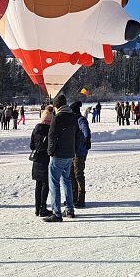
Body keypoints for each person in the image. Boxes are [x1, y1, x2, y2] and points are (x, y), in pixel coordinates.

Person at [45, 94, 78, 222]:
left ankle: (57, 213)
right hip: (70, 154)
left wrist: (50, 152)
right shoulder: (72, 117)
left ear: (56, 106)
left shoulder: (57, 118)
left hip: (58, 155)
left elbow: (52, 137)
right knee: (67, 181)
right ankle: (70, 209)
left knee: (54, 183)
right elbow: (75, 135)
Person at [30, 106, 53, 217]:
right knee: (46, 184)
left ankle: (37, 208)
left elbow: (31, 146)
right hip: (46, 159)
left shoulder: (35, 130)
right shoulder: (50, 131)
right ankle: (43, 207)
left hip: (36, 160)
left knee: (38, 184)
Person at [70, 101, 91, 208]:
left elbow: (85, 129)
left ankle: (81, 199)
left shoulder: (80, 119)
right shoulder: (73, 120)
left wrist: (87, 138)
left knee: (78, 175)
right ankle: (73, 197)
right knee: (71, 175)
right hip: (72, 152)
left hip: (79, 152)